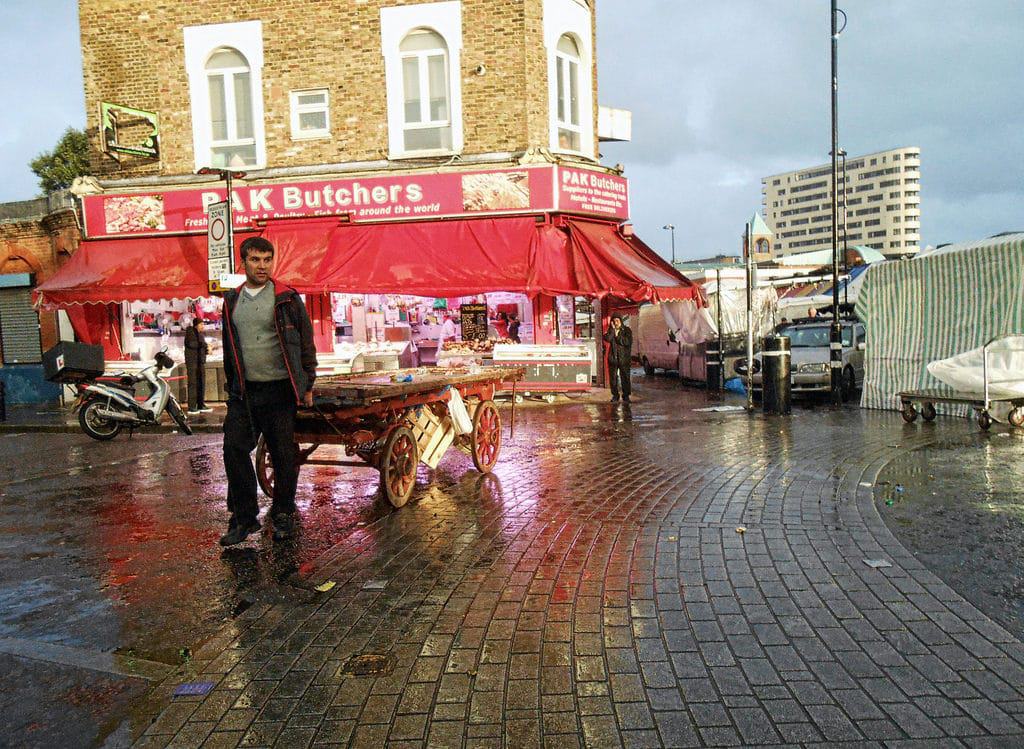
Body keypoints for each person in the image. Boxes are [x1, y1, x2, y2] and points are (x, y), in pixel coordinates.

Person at [218, 237, 318, 546]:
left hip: (280, 390)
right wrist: (232, 385)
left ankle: (283, 513)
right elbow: (228, 346)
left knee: (283, 454)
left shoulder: (286, 298)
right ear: (244, 263)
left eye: (266, 260)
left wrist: (308, 382)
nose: (262, 266)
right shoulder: (232, 300)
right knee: (233, 449)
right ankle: (245, 519)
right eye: (255, 260)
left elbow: (305, 340)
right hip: (245, 393)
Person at [603, 313, 633, 403]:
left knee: (625, 377)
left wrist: (617, 336)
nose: (616, 323)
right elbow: (607, 339)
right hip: (613, 358)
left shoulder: (627, 330)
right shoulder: (610, 331)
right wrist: (612, 330)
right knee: (613, 378)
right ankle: (615, 395)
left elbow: (627, 342)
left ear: (621, 321)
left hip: (624, 358)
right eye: (614, 321)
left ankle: (626, 395)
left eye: (617, 321)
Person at [184, 318, 211, 414]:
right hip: (192, 363)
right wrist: (203, 344)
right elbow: (192, 344)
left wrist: (207, 350)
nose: (202, 326)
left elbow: (201, 347)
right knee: (193, 383)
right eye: (201, 324)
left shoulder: (200, 335)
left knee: (201, 383)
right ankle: (192, 406)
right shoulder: (190, 332)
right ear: (196, 325)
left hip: (200, 363)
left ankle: (201, 404)